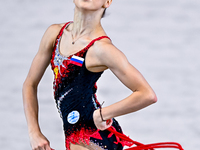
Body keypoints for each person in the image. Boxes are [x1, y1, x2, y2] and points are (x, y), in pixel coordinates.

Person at [22, 0, 157, 150]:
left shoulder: (102, 49)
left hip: (93, 137)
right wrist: (34, 133)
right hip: (75, 135)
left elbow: (147, 94)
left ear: (107, 2)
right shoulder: (54, 34)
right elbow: (30, 84)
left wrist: (103, 114)